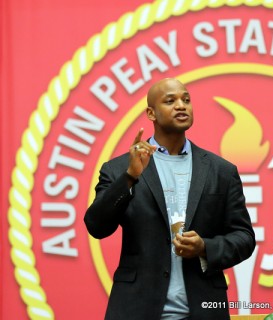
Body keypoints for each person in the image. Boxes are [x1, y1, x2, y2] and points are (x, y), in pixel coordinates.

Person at [84, 78, 256, 320]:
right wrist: (129, 177)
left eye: (186, 100)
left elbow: (244, 237)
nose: (181, 105)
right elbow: (97, 226)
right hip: (137, 309)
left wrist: (205, 248)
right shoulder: (120, 169)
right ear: (151, 113)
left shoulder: (221, 171)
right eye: (170, 101)